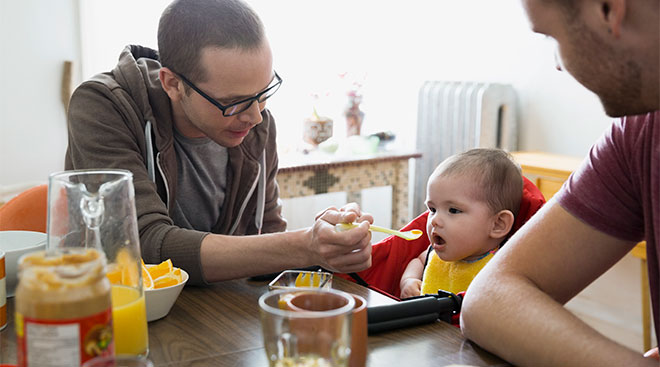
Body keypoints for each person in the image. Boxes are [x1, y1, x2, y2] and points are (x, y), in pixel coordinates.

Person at [64, 0, 373, 286]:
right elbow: (138, 245)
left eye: (263, 93)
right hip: (110, 314)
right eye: (234, 102)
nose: (255, 117)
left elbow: (265, 236)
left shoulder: (258, 124)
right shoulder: (103, 106)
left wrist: (330, 247)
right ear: (172, 84)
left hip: (216, 319)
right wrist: (304, 245)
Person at [461, 0, 660, 365]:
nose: (557, 62)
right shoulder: (639, 134)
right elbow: (489, 298)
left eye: (554, 36)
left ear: (609, 10)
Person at [399, 148, 522, 299]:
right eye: (432, 209)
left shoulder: (500, 269)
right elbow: (418, 261)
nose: (435, 220)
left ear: (497, 224)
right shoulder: (433, 253)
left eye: (453, 210)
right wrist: (408, 280)